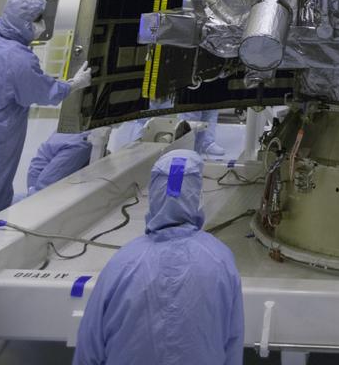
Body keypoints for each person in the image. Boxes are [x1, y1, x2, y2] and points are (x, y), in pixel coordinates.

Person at [73, 148, 244, 365]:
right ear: (197, 197)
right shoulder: (221, 261)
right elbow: (232, 345)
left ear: (154, 194)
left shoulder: (121, 264)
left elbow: (89, 347)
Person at [0, 0, 92, 217]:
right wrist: (73, 85)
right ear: (25, 21)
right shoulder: (19, 59)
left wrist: (29, 0)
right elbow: (44, 91)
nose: (42, 25)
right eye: (38, 20)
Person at [27, 132, 92, 193]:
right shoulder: (82, 142)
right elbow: (43, 188)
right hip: (41, 189)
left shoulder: (65, 130)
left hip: (35, 180)